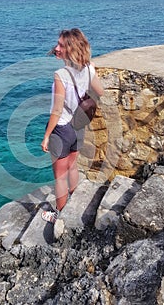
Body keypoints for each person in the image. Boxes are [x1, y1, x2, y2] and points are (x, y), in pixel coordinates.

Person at [41, 28, 104, 223]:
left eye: (61, 45)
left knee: (60, 176)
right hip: (78, 125)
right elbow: (100, 91)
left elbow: (57, 110)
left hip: (61, 128)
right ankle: (75, 199)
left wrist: (46, 136)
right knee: (73, 166)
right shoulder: (88, 68)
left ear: (71, 49)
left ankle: (59, 216)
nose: (56, 48)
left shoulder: (60, 74)